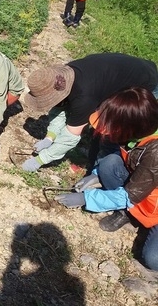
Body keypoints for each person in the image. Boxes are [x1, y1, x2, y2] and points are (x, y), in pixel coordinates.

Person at [55, 87, 158, 271]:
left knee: (152, 259)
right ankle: (128, 214)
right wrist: (96, 174)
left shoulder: (155, 152)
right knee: (109, 164)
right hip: (142, 190)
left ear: (134, 126)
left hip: (151, 203)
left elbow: (130, 195)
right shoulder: (139, 129)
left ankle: (143, 223)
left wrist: (86, 198)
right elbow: (118, 156)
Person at [22, 53, 158, 172]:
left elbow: (69, 138)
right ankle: (97, 167)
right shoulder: (64, 76)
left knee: (116, 133)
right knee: (100, 127)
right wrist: (50, 137)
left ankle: (105, 174)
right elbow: (60, 108)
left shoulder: (84, 98)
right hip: (125, 73)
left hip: (146, 86)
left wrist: (40, 160)